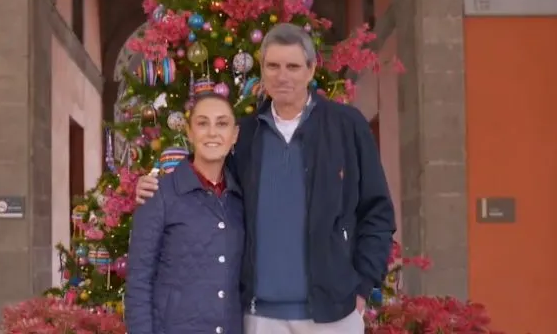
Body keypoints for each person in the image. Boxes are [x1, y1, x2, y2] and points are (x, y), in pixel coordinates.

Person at [135, 23, 396, 334]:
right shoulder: (245, 135)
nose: (282, 76)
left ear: (311, 70)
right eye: (273, 66)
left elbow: (377, 211)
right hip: (260, 317)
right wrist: (156, 185)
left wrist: (363, 284)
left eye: (293, 66)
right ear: (262, 69)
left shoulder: (346, 127)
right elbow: (210, 186)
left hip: (333, 314)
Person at [125, 92, 245, 334]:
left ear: (235, 135)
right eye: (202, 123)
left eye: (222, 123)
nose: (212, 132)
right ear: (189, 133)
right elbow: (138, 282)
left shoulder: (240, 198)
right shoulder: (158, 194)